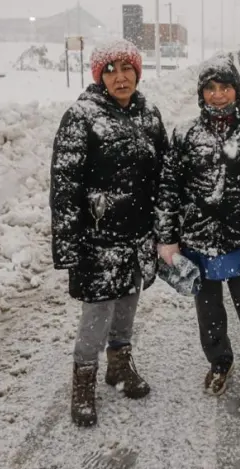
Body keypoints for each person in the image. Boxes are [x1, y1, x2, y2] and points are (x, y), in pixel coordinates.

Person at [155, 56, 240, 414]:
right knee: (209, 311)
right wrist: (168, 238)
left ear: (237, 90)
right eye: (210, 88)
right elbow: (169, 188)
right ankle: (220, 362)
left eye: (225, 87)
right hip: (199, 240)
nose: (218, 95)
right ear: (201, 93)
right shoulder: (185, 135)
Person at [50, 39, 168, 427]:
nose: (121, 77)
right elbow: (65, 184)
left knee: (128, 303)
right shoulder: (82, 116)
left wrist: (165, 229)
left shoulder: (149, 114)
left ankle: (119, 365)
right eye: (111, 70)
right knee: (97, 313)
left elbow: (164, 175)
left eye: (127, 68)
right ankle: (82, 382)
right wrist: (68, 243)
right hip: (97, 239)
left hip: (137, 237)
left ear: (137, 71)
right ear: (99, 76)